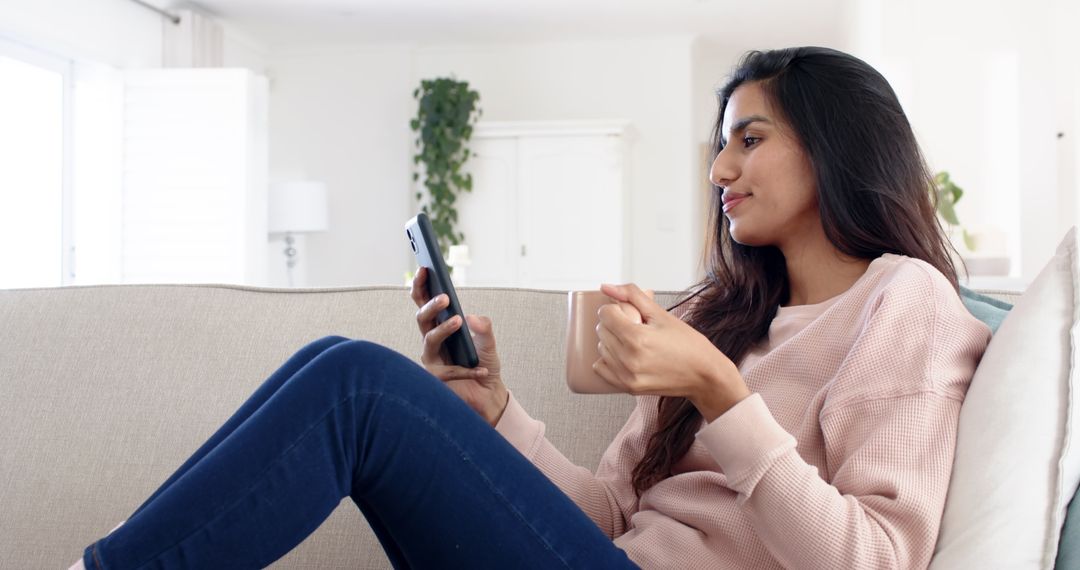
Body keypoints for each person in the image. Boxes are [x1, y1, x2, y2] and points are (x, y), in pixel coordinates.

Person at [73, 46, 990, 570]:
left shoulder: (902, 303)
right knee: (334, 364)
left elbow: (875, 560)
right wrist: (498, 414)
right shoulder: (726, 316)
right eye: (720, 147)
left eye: (749, 141)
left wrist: (721, 395)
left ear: (835, 147)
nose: (719, 172)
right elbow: (612, 521)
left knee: (357, 389)